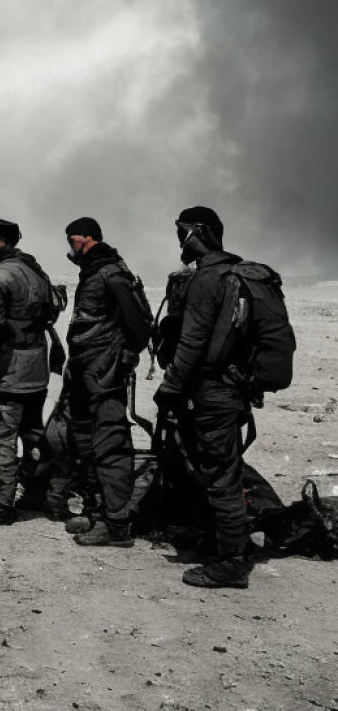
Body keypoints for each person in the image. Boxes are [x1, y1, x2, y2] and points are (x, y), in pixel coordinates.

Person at [153, 207, 255, 588]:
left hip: (211, 392)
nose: (179, 240)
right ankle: (219, 544)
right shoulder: (235, 275)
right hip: (231, 390)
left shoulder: (207, 279)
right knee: (214, 467)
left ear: (200, 233)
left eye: (182, 232)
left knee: (220, 474)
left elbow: (193, 342)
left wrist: (170, 387)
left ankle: (231, 561)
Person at [63, 217, 151, 546]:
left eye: (72, 239)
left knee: (111, 442)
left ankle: (116, 525)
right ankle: (98, 511)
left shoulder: (110, 271)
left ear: (87, 237)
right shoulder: (94, 269)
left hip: (104, 372)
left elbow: (139, 325)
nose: (69, 246)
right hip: (87, 370)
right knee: (87, 441)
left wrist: (122, 359)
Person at [0, 219, 54, 526]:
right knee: (33, 433)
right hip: (37, 366)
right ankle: (37, 494)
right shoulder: (36, 271)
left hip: (10, 367)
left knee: (3, 435)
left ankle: (0, 504)